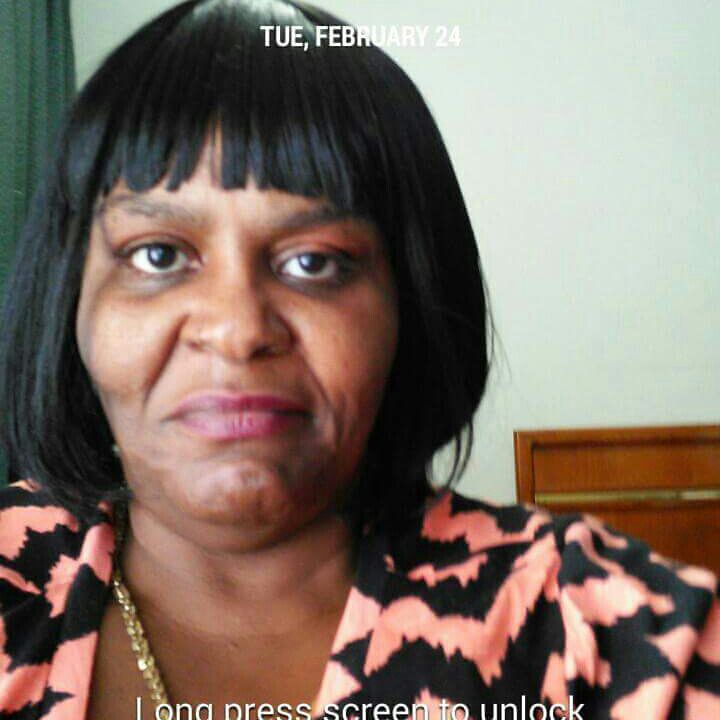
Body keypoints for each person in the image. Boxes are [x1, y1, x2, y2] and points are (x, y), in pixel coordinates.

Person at [0, 1, 718, 719]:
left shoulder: (606, 636)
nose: (238, 330)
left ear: (411, 304)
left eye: (314, 262)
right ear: (70, 302)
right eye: (158, 255)